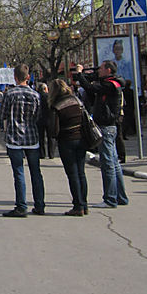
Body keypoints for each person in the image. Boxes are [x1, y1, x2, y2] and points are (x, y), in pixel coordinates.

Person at [74, 61, 128, 209]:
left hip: (106, 126)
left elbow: (90, 88)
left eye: (102, 68)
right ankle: (121, 196)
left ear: (108, 70)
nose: (99, 71)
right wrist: (85, 75)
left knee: (108, 163)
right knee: (114, 162)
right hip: (109, 126)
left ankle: (110, 198)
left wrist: (80, 74)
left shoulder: (110, 85)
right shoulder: (112, 83)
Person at [0, 64, 45, 217]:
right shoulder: (35, 95)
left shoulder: (10, 94)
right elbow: (39, 115)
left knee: (19, 172)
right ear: (28, 77)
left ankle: (21, 206)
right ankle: (39, 205)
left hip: (14, 137)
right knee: (36, 172)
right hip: (31, 136)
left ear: (15, 77)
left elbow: (4, 114)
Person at [47, 79, 88, 216]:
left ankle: (78, 206)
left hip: (67, 141)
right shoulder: (76, 101)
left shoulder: (57, 105)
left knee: (73, 174)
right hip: (81, 139)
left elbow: (53, 129)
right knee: (81, 172)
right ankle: (84, 204)